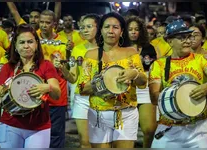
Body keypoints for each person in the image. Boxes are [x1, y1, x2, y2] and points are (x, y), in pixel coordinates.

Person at [149, 19, 207, 148]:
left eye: (188, 36)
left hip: (198, 128)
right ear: (169, 41)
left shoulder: (202, 60)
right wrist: (179, 99)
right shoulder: (159, 65)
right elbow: (153, 98)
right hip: (169, 128)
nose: (187, 40)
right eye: (181, 37)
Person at [78, 12, 147, 148]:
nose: (111, 31)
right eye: (107, 27)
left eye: (115, 27)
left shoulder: (131, 52)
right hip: (98, 115)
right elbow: (82, 88)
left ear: (121, 32)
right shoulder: (91, 55)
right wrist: (104, 83)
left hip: (126, 114)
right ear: (101, 31)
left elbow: (143, 82)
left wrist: (134, 74)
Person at [0, 24, 61, 148]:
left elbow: (57, 94)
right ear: (15, 45)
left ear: (36, 44)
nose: (26, 46)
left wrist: (48, 87)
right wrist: (6, 89)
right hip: (10, 125)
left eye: (30, 42)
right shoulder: (7, 67)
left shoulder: (46, 65)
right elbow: (0, 97)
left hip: (39, 127)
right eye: (22, 42)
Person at [54, 13, 100, 148]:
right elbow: (73, 78)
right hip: (82, 98)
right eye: (83, 27)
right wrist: (63, 69)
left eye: (89, 27)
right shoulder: (77, 49)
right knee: (84, 142)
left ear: (99, 28)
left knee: (101, 143)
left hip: (102, 99)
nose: (85, 30)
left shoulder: (107, 49)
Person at [126, 16, 157, 148]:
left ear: (141, 31)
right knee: (126, 133)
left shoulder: (149, 48)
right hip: (126, 90)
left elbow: (154, 68)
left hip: (144, 91)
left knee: (150, 130)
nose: (133, 32)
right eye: (130, 29)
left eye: (136, 29)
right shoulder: (120, 47)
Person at [189, 25, 207, 129]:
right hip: (186, 94)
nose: (192, 37)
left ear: (203, 38)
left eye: (196, 35)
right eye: (190, 35)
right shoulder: (181, 56)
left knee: (206, 130)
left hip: (206, 97)